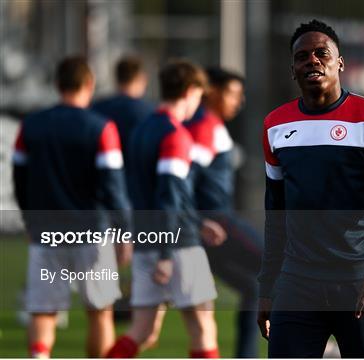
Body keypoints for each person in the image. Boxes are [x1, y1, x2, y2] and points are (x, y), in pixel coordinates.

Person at [257, 19, 364, 358]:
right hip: (297, 283)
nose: (312, 60)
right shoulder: (275, 126)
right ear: (293, 69)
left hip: (358, 283)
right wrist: (267, 289)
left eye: (321, 53)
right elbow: (275, 216)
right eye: (302, 56)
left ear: (339, 63)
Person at [106, 59, 226, 358]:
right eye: (199, 96)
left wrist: (196, 222)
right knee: (203, 329)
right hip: (176, 246)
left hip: (147, 240)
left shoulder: (141, 130)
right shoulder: (176, 135)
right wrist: (167, 253)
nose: (198, 104)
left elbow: (155, 194)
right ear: (189, 91)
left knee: (142, 332)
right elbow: (169, 196)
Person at [12, 56, 130, 358]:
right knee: (100, 312)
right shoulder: (101, 127)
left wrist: (30, 221)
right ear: (88, 84)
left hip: (47, 233)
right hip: (92, 233)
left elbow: (20, 178)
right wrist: (126, 231)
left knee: (43, 310)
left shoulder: (31, 125)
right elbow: (113, 186)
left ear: (57, 84)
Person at [184, 67, 263, 358]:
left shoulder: (205, 124)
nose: (238, 101)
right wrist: (196, 219)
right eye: (233, 94)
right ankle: (321, 347)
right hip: (216, 223)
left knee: (252, 287)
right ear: (211, 91)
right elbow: (184, 177)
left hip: (206, 226)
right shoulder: (206, 126)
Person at [93, 55, 154, 181]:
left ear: (117, 79)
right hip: (138, 184)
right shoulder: (151, 113)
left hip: (102, 180)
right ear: (142, 79)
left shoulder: (97, 109)